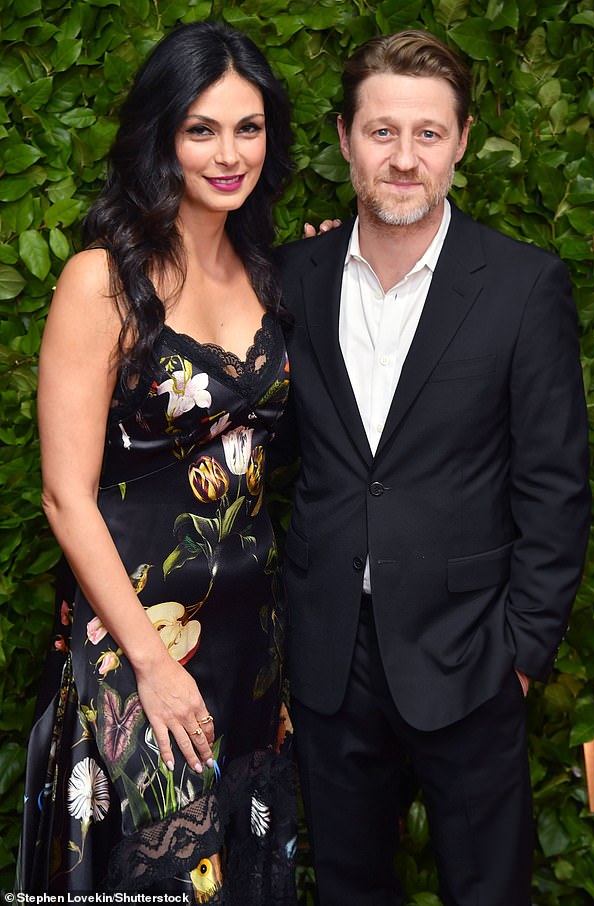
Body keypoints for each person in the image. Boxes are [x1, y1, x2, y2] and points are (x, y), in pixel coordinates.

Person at [275, 29, 591, 906]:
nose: (403, 158)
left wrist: (519, 654)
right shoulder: (291, 278)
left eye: (426, 133)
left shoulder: (524, 286)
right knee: (346, 887)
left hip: (471, 653)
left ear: (459, 141)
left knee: (490, 891)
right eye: (382, 133)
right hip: (329, 652)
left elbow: (555, 486)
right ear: (344, 140)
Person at [18, 21, 297, 902]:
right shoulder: (102, 281)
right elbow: (66, 496)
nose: (228, 153)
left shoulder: (270, 269)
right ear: (161, 136)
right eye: (201, 128)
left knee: (243, 871)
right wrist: (150, 663)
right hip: (140, 644)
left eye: (247, 128)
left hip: (255, 641)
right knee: (162, 875)